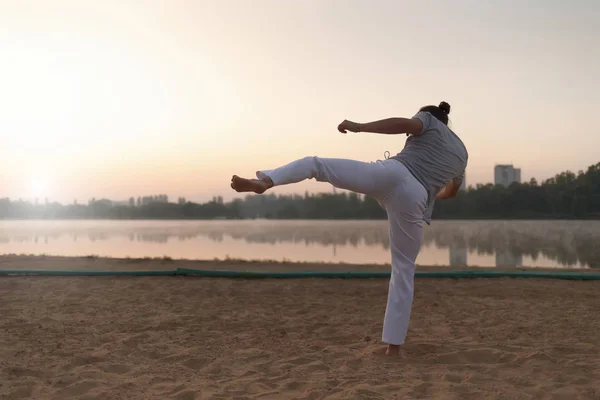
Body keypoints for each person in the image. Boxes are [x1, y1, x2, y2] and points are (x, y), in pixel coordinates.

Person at [230, 101, 468, 356]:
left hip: (392, 173)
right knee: (403, 269)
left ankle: (266, 181)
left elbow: (403, 125)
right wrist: (426, 191)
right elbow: (451, 192)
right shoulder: (462, 153)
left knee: (317, 165)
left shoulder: (428, 120)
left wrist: (359, 127)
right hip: (416, 197)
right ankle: (393, 346)